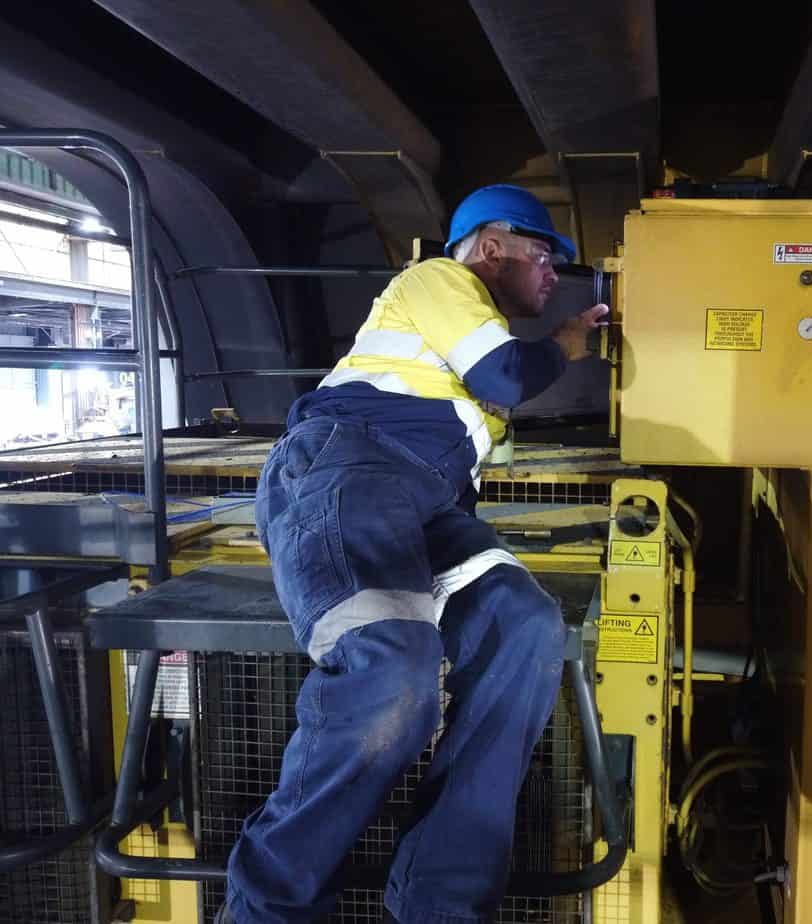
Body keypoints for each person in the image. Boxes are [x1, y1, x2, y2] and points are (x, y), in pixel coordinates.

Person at [218, 185, 608, 924]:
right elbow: (510, 377)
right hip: (351, 469)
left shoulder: (468, 326)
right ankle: (265, 910)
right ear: (490, 248)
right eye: (542, 254)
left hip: (429, 503)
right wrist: (566, 343)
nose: (554, 273)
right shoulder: (438, 280)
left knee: (524, 628)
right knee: (393, 672)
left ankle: (442, 901)